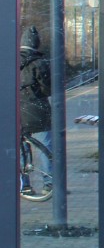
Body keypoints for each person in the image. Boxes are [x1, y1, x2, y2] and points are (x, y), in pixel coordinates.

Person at [19, 25, 52, 192]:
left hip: (18, 113)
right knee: (45, 149)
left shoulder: (11, 61)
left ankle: (24, 185)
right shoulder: (40, 63)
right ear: (36, 43)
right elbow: (48, 89)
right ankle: (49, 183)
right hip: (39, 113)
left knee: (21, 149)